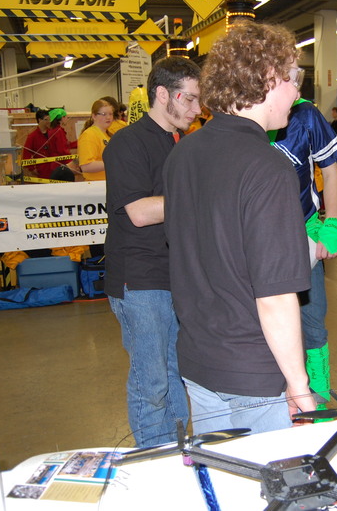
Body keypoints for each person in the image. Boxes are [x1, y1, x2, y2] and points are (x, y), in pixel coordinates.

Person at [163, 22, 316, 435]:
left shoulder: (183, 154)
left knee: (221, 470)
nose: (297, 93)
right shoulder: (267, 167)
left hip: (198, 359)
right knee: (271, 474)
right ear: (268, 77)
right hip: (253, 372)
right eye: (293, 78)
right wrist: (299, 386)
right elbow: (275, 296)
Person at [103, 57, 202, 447]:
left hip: (175, 276)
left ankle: (175, 451)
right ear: (162, 94)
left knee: (176, 373)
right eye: (189, 99)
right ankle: (152, 458)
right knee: (152, 381)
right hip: (140, 279)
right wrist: (203, 195)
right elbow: (140, 212)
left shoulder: (180, 144)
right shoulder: (127, 142)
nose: (197, 109)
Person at [271, 99, 337, 409]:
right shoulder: (245, 113)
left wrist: (331, 223)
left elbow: (330, 171)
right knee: (264, 321)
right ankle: (274, 395)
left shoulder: (305, 114)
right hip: (261, 238)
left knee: (313, 318)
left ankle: (318, 393)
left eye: (296, 80)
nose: (293, 88)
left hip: (304, 233)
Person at [21, 108, 72, 180]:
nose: (48, 121)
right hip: (43, 171)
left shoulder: (53, 132)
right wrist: (32, 169)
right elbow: (26, 154)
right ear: (39, 120)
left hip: (57, 169)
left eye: (49, 119)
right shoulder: (32, 137)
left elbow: (62, 148)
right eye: (46, 119)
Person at [77, 99, 114, 181]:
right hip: (96, 184)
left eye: (110, 114)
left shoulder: (108, 135)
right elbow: (86, 166)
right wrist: (114, 163)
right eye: (104, 114)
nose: (108, 117)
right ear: (94, 116)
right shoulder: (89, 135)